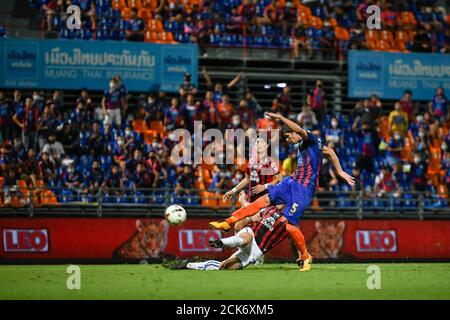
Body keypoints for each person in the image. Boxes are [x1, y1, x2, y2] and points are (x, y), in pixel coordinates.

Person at [210, 112, 355, 270]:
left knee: (289, 226)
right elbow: (331, 152)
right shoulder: (311, 144)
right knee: (261, 201)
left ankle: (306, 257)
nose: (288, 140)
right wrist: (340, 171)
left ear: (295, 133)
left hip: (303, 189)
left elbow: (298, 129)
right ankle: (227, 222)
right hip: (291, 182)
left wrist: (280, 118)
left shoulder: (310, 138)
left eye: (288, 136)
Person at [169, 205, 290, 271]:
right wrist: (250, 218)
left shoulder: (290, 222)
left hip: (256, 252)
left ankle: (188, 265)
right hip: (251, 234)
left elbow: (294, 241)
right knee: (246, 238)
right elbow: (242, 222)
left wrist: (302, 257)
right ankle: (221, 242)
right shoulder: (267, 209)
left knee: (225, 266)